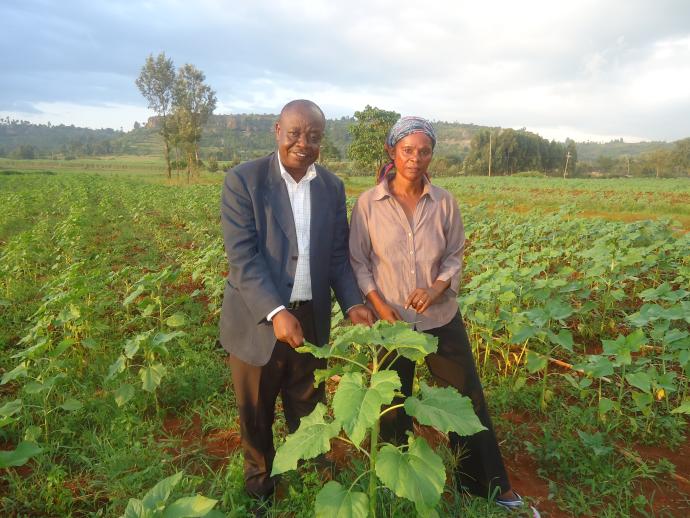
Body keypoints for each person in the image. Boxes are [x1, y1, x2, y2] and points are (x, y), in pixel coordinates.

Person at [348, 116, 540, 517]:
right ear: (391, 152)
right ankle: (396, 484)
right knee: (392, 403)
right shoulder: (368, 204)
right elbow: (359, 263)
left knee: (464, 400)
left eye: (424, 151)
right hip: (390, 326)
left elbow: (454, 256)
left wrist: (436, 288)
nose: (415, 159)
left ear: (432, 154)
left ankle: (486, 485)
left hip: (440, 319)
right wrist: (383, 309)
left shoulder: (445, 201)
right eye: (407, 150)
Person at [219, 99, 375, 504]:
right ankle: (260, 491)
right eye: (295, 134)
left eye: (313, 136)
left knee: (308, 407)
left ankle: (311, 482)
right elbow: (242, 258)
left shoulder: (330, 187)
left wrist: (354, 303)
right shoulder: (244, 181)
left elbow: (338, 258)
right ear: (277, 131)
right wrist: (276, 311)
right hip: (259, 321)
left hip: (312, 318)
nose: (303, 143)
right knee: (256, 414)